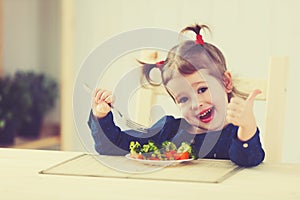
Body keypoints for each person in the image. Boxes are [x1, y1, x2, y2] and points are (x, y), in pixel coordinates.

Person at [88, 24, 265, 167]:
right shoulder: (169, 130)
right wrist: (101, 117)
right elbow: (114, 147)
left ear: (225, 83)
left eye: (202, 89)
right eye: (184, 98)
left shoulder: (236, 133)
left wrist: (247, 127)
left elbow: (248, 160)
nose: (196, 103)